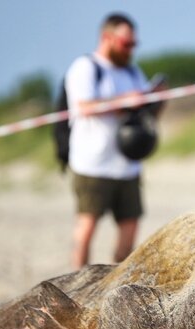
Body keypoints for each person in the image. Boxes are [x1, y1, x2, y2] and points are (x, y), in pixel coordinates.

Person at [65, 12, 157, 269]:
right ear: (107, 37)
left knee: (130, 232)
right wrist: (125, 101)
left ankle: (117, 283)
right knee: (86, 228)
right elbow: (83, 106)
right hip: (93, 164)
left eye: (133, 44)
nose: (131, 49)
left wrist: (155, 99)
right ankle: (76, 283)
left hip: (127, 164)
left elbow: (142, 106)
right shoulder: (86, 67)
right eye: (126, 43)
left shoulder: (131, 71)